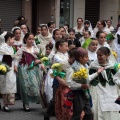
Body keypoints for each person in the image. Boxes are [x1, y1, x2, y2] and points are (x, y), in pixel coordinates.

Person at [66, 47, 103, 120]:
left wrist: (97, 73)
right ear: (80, 58)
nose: (88, 58)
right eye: (86, 57)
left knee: (89, 112)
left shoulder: (85, 66)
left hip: (85, 92)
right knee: (77, 113)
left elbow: (87, 78)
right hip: (78, 93)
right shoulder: (73, 68)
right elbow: (69, 82)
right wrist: (81, 85)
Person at [89, 47, 120, 120]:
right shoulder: (93, 66)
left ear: (107, 55)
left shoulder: (113, 66)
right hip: (97, 89)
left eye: (101, 55)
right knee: (99, 106)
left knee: (113, 106)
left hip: (112, 90)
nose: (98, 57)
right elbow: (89, 79)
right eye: (97, 55)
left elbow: (117, 78)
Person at [14, 33, 42, 111]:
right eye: (29, 39)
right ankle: (26, 103)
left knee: (34, 85)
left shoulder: (36, 49)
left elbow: (40, 59)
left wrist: (40, 62)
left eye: (32, 39)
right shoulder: (22, 49)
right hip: (24, 69)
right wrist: (15, 66)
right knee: (25, 87)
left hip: (34, 69)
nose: (31, 41)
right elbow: (17, 58)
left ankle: (35, 100)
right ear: (25, 40)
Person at [44, 39, 69, 120]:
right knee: (55, 99)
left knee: (65, 98)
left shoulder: (67, 54)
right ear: (59, 47)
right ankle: (47, 114)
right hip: (58, 79)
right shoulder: (56, 56)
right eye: (66, 46)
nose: (67, 48)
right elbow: (63, 63)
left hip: (67, 78)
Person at [0, 32, 16, 112]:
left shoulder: (12, 48)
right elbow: (0, 58)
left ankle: (8, 103)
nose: (14, 41)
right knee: (4, 86)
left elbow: (13, 58)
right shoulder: (3, 47)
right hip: (4, 69)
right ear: (9, 39)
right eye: (13, 39)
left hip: (11, 68)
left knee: (10, 85)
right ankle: (5, 104)